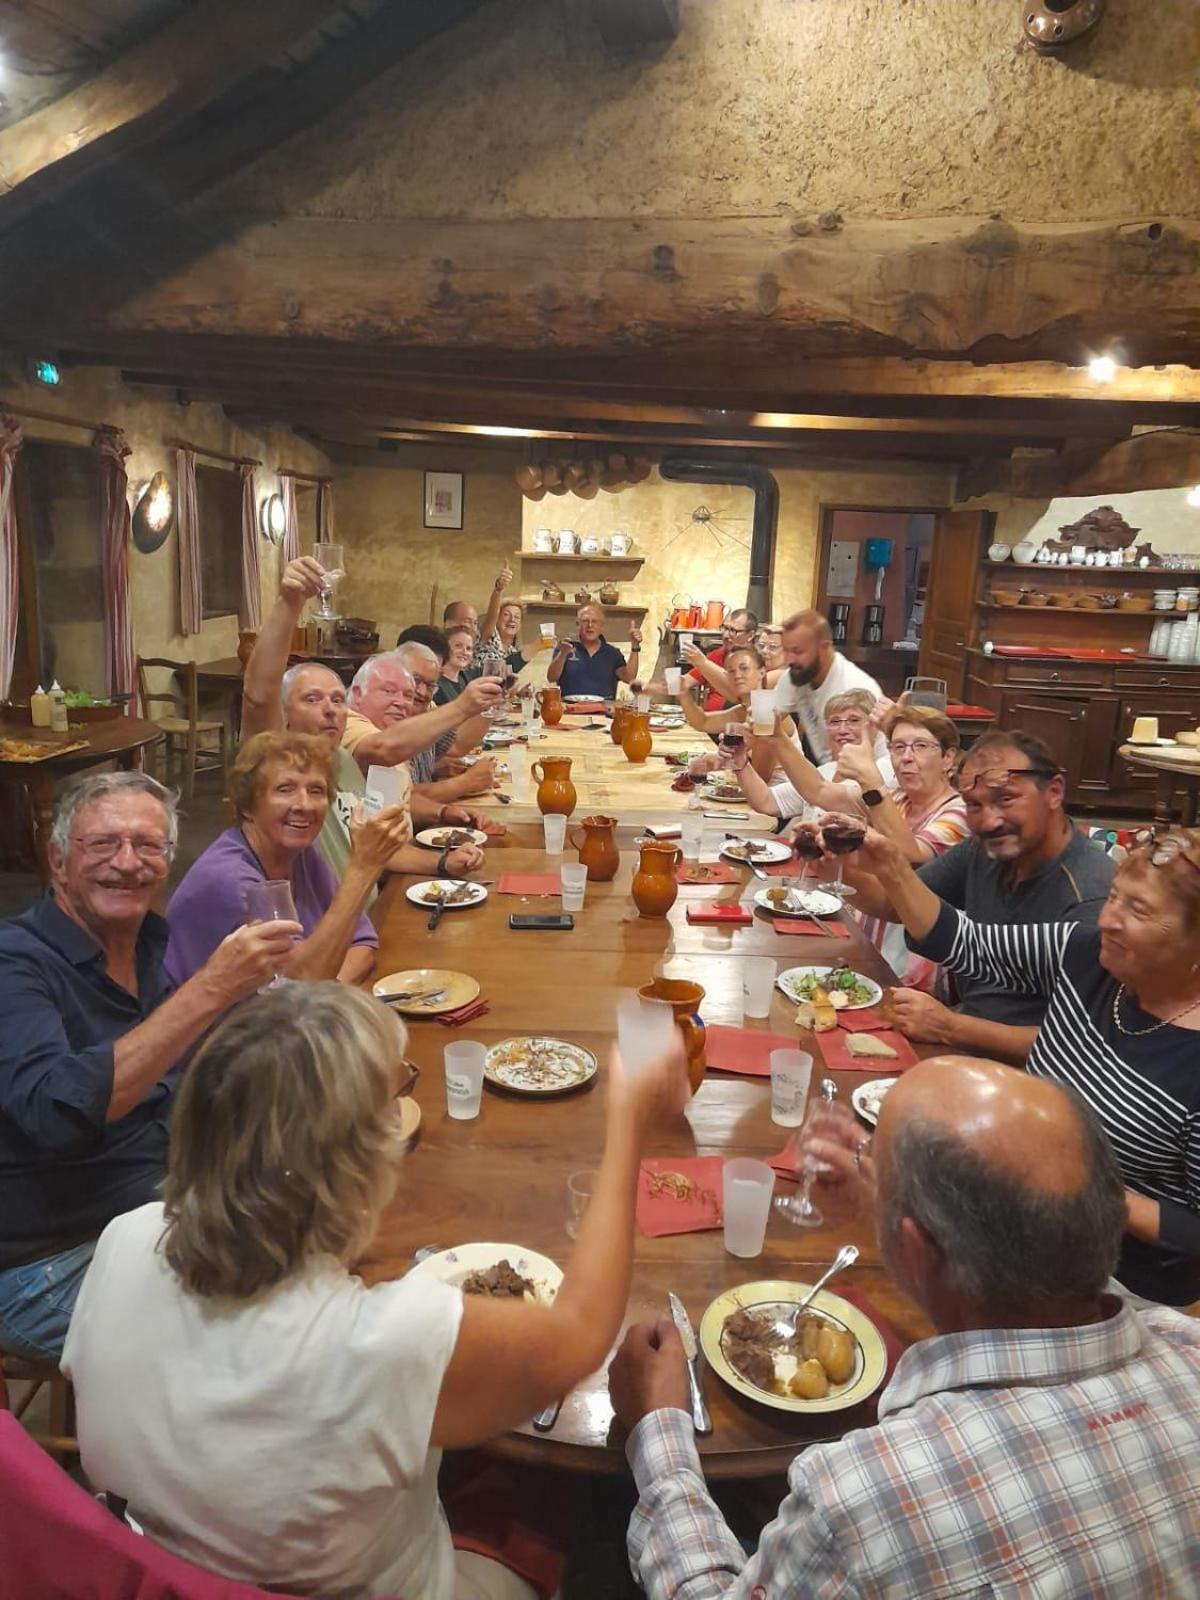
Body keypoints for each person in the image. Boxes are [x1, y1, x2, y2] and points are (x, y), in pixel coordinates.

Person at [63, 983, 686, 1600]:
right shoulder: (377, 1343)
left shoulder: (122, 1239)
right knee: (564, 1490)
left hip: (161, 1568)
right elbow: (580, 1333)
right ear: (353, 1166)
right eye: (396, 1097)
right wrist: (629, 1118)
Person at [610, 1057, 1200, 1596]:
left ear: (915, 1247)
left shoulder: (866, 1496)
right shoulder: (1187, 1345)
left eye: (875, 1161)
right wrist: (890, 1210)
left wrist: (660, 1435)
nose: (861, 1164)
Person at [0, 773, 297, 1360]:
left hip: (155, 1206)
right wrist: (210, 988)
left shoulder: (143, 943)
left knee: (334, 1230)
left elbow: (173, 1078)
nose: (127, 863)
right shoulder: (15, 964)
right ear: (59, 861)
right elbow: (56, 1111)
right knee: (271, 1343)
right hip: (46, 1262)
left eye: (148, 846)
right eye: (103, 844)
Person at [843, 823, 1200, 1305]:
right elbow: (965, 943)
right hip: (1011, 1218)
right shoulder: (1087, 953)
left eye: (1138, 910)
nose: (1110, 919)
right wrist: (888, 863)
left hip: (1114, 1283)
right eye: (1115, 896)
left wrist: (1085, 1196)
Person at [846, 729, 1116, 1060]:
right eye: (974, 804)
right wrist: (842, 869)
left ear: (1054, 791)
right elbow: (899, 905)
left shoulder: (1093, 897)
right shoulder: (985, 851)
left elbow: (1079, 1044)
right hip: (959, 1041)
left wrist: (949, 1026)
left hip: (1031, 1080)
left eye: (1006, 799)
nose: (988, 821)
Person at [243, 560, 482, 877]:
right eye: (312, 699)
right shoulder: (275, 763)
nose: (330, 709)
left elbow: (380, 850)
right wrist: (290, 602)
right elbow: (258, 697)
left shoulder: (342, 761)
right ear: (284, 713)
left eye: (336, 699)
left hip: (373, 910)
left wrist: (443, 863)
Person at [164, 732, 407, 990]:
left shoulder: (302, 855)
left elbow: (362, 941)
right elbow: (298, 986)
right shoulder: (230, 878)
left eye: (316, 790)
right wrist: (364, 867)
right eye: (285, 789)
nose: (304, 805)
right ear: (247, 805)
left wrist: (325, 985)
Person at [343, 647, 501, 812]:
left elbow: (400, 802)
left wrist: (443, 813)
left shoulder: (414, 713)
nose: (401, 702)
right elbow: (382, 748)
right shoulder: (346, 722)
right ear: (358, 693)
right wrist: (465, 783)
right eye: (389, 691)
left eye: (407, 695)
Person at [732, 689, 895, 822]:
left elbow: (819, 790)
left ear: (874, 728)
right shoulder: (825, 772)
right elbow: (766, 801)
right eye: (835, 722)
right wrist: (740, 759)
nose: (843, 729)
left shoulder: (883, 773)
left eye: (854, 720)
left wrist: (777, 737)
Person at [768, 608, 884, 764]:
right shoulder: (797, 675)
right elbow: (767, 721)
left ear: (823, 648)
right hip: (826, 773)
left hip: (862, 778)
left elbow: (869, 769)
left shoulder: (853, 687)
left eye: (797, 651)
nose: (789, 659)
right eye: (786, 651)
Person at [546, 603, 643, 699]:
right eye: (585, 621)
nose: (590, 625)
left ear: (602, 626)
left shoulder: (612, 653)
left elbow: (629, 678)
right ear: (577, 624)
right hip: (569, 709)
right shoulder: (565, 646)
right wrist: (563, 654)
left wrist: (635, 646)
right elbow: (551, 678)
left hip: (604, 710)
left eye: (595, 621)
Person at [434, 622, 477, 705]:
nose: (464, 652)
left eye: (468, 648)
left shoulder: (466, 678)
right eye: (458, 646)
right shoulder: (435, 683)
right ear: (444, 646)